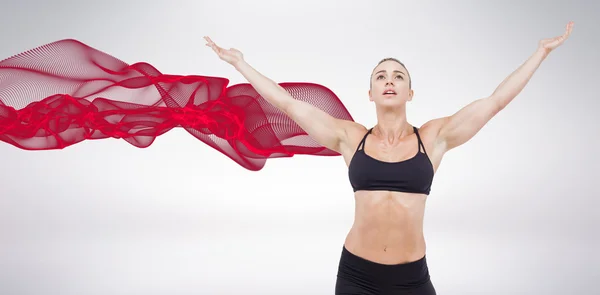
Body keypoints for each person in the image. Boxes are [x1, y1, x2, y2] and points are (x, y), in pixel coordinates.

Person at [203, 21, 573, 295]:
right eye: (381, 76)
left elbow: (494, 102)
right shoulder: (350, 138)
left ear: (410, 92)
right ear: (371, 93)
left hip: (412, 279)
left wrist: (540, 52)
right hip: (356, 276)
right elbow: (286, 103)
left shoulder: (434, 137)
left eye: (398, 76)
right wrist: (240, 64)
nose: (390, 80)